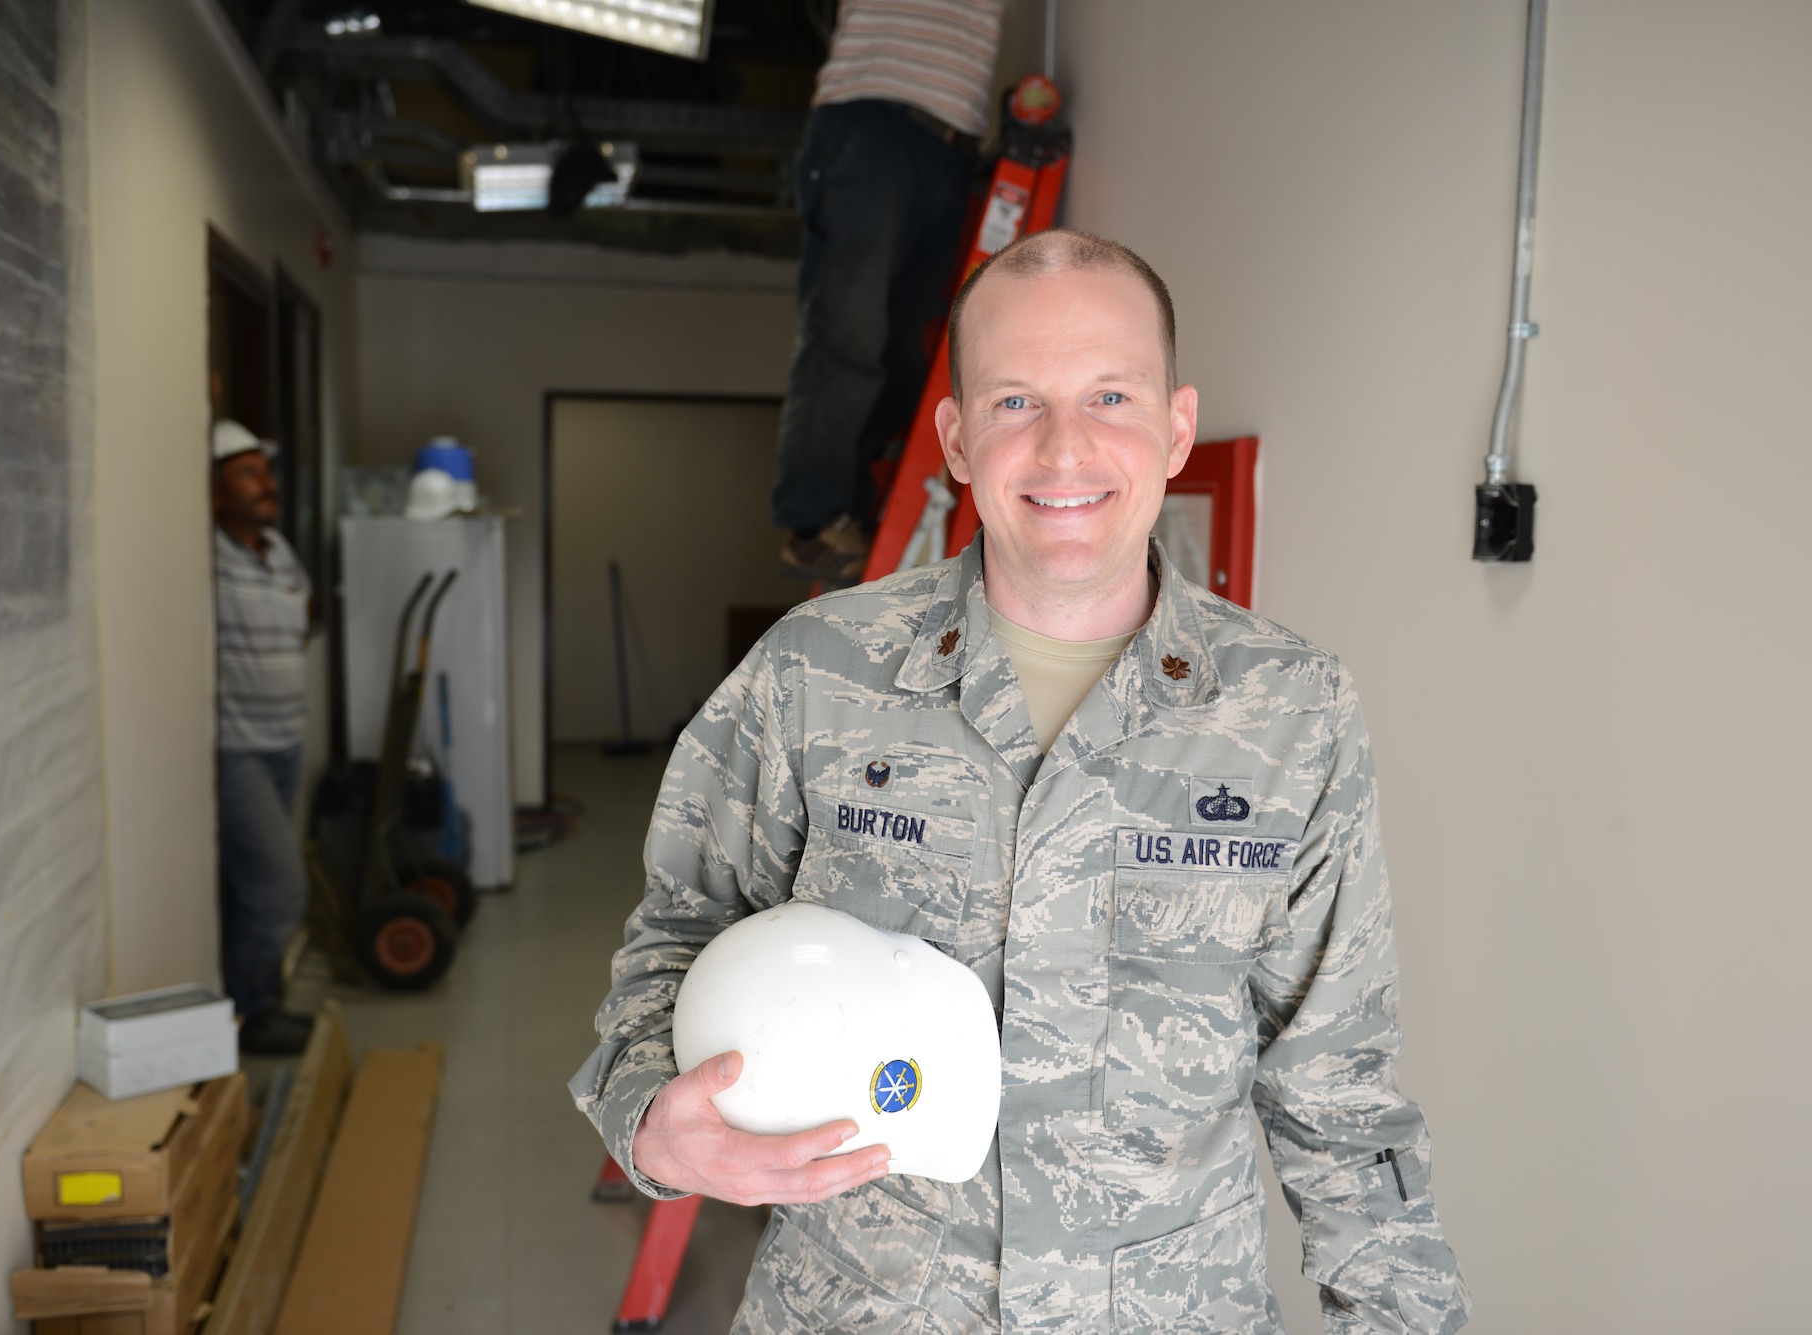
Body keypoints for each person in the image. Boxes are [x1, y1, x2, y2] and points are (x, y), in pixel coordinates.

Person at [573, 230, 1470, 1331]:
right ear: (953, 439)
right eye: (1012, 403)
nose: (1061, 450)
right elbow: (674, 938)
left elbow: (1338, 1095)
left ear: (1175, 427)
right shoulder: (814, 673)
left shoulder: (1290, 711)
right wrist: (650, 1121)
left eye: (1108, 396)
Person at [773, 0, 1008, 585]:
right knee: (848, 336)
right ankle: (815, 521)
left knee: (904, 346)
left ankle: (855, 503)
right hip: (872, 117)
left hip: (951, 145)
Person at [211, 419, 316, 1056]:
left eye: (265, 472)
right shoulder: (205, 555)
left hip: (287, 740)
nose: (265, 484)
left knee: (251, 885)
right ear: (217, 492)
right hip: (238, 747)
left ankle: (254, 1003)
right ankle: (251, 1012)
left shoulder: (276, 549)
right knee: (279, 886)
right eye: (247, 474)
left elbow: (298, 617)